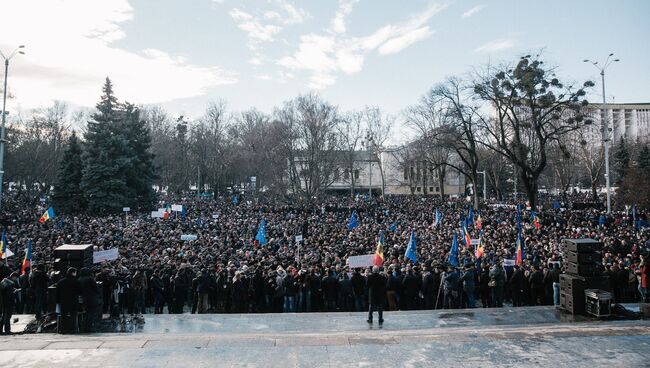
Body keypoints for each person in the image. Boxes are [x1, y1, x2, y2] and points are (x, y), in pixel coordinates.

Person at [56, 267, 82, 334]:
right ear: (73, 273)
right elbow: (80, 291)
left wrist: (58, 301)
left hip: (63, 301)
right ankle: (72, 329)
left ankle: (63, 329)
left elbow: (57, 292)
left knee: (63, 316)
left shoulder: (61, 281)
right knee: (73, 315)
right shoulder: (76, 281)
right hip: (73, 301)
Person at [78, 267, 100, 332]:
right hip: (92, 298)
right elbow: (96, 288)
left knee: (86, 313)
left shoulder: (80, 279)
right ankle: (88, 328)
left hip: (84, 298)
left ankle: (84, 327)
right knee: (91, 313)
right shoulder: (90, 279)